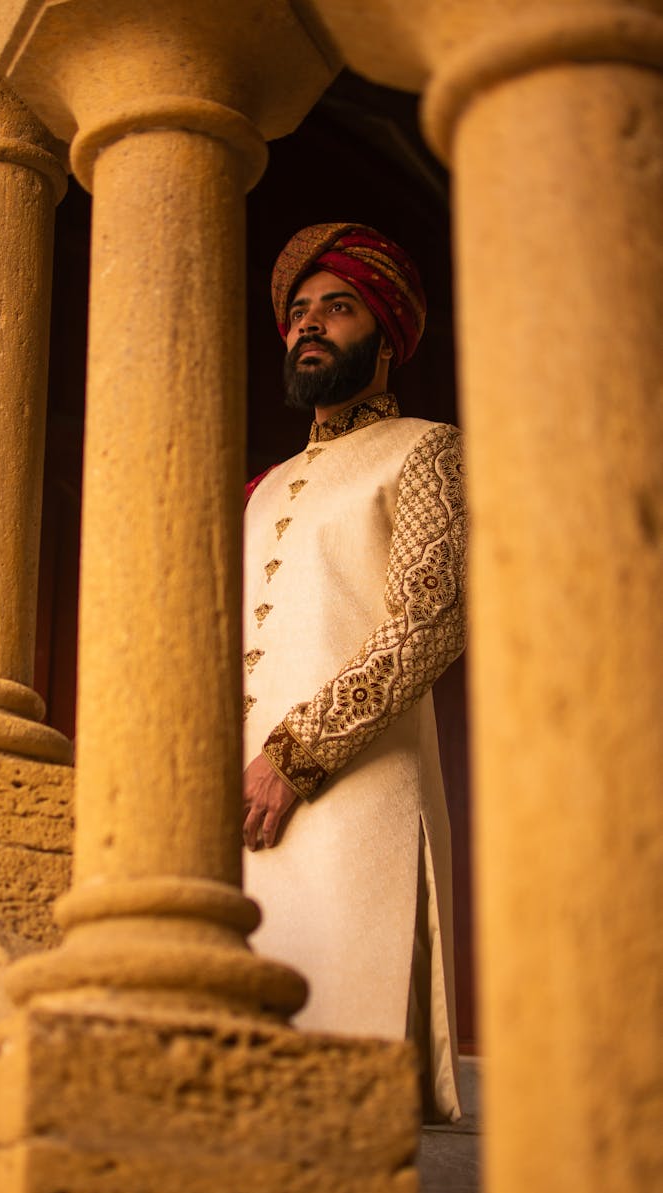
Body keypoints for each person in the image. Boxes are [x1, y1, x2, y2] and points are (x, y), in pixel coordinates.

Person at [242, 223, 466, 1121]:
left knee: (343, 1066)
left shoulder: (427, 448)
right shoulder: (265, 486)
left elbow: (429, 622)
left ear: (384, 328)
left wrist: (295, 754)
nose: (310, 325)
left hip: (353, 800)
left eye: (336, 307)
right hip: (236, 804)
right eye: (298, 311)